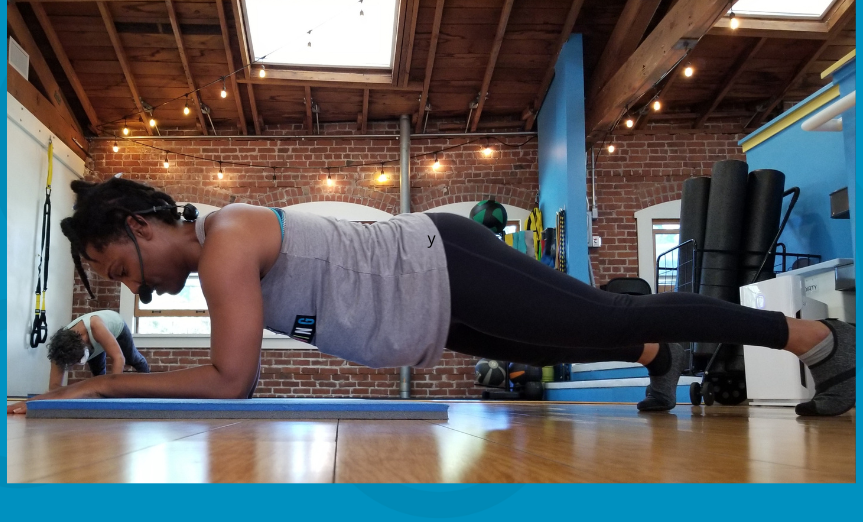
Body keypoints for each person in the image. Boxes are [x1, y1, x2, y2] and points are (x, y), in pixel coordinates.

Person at [7, 178, 855, 417]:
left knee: (606, 313)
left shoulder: (225, 235)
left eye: (119, 264)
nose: (131, 286)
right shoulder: (220, 249)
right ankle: (656, 358)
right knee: (569, 339)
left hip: (444, 265)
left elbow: (233, 382)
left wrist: (107, 382)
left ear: (140, 223)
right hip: (436, 313)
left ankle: (811, 335)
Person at [46, 310, 150, 390]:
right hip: (90, 342)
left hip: (116, 328)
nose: (74, 367)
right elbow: (53, 388)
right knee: (98, 373)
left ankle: (149, 386)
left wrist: (113, 390)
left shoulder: (95, 326)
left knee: (133, 359)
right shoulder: (59, 350)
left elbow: (119, 358)